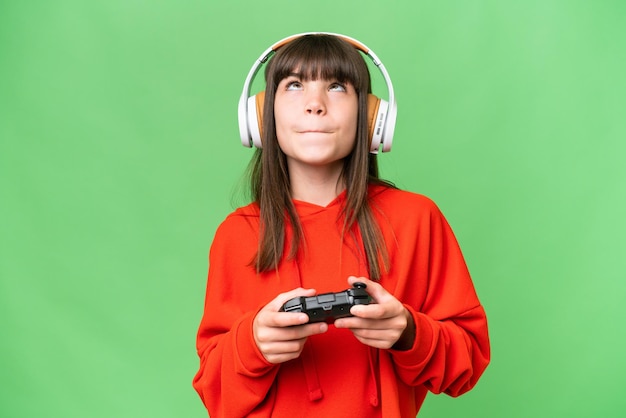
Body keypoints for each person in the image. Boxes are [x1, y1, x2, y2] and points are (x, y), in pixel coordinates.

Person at [192, 33, 490, 418]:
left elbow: (467, 365)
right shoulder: (237, 234)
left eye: (336, 86)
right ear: (262, 115)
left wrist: (408, 332)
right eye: (295, 85)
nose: (315, 105)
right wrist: (252, 345)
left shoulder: (417, 219)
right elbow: (215, 394)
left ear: (371, 117)